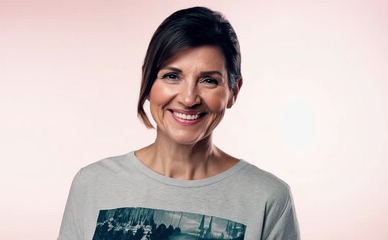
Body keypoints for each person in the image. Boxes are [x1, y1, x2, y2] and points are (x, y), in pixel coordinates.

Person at [58, 6, 300, 240]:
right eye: (172, 76)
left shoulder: (268, 199)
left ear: (234, 91)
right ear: (148, 82)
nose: (188, 98)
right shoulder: (93, 184)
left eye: (208, 80)